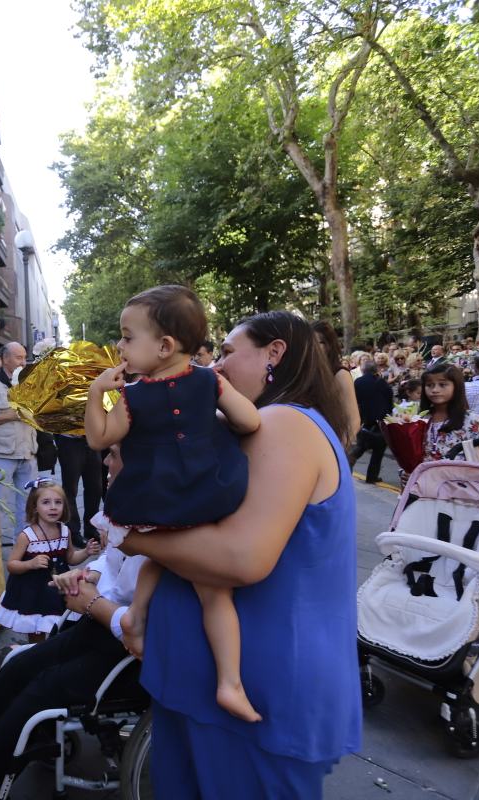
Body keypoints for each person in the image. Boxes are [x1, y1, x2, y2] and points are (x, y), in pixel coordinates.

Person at [116, 311, 359, 798]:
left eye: (227, 351)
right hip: (214, 681)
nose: (216, 364)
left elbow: (242, 559)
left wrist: (131, 537)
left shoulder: (283, 422)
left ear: (275, 353)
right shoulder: (268, 422)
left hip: (256, 686)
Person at [0, 448, 143, 800]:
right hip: (101, 625)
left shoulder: (165, 524)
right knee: (20, 667)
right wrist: (86, 574)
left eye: (114, 455)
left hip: (128, 652)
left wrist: (93, 603)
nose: (106, 463)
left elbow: (141, 623)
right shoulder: (137, 505)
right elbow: (115, 565)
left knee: (42, 688)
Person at [85, 284, 262, 721]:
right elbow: (251, 419)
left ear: (164, 346)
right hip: (204, 492)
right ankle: (230, 683)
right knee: (214, 592)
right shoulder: (209, 380)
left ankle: (136, 616)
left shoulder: (130, 396)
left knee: (160, 550)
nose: (119, 346)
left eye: (127, 337)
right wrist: (216, 420)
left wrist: (97, 394)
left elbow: (99, 438)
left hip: (154, 495)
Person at [0, 481, 100, 639]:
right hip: (33, 590)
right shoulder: (27, 536)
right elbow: (12, 565)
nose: (53, 507)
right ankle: (34, 650)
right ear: (34, 507)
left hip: (57, 587)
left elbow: (70, 558)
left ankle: (51, 651)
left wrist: (86, 552)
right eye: (46, 502)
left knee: (58, 624)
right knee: (35, 628)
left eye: (58, 502)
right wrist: (30, 564)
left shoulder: (65, 530)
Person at [0, 341, 38, 546]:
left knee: (29, 503)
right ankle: (1, 546)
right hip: (0, 454)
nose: (23, 361)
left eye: (24, 357)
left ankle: (24, 543)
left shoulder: (29, 381)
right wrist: (10, 415)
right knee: (0, 505)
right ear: (5, 359)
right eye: (19, 357)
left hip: (27, 451)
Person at [416, 363, 479, 472]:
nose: (435, 390)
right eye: (429, 385)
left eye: (442, 384)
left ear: (456, 386)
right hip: (421, 483)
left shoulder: (473, 421)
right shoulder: (420, 419)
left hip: (458, 485)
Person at [312, 320, 360, 442]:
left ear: (329, 345)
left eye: (320, 342)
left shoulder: (340, 374)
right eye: (310, 342)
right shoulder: (304, 374)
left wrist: (339, 450)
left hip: (330, 442)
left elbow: (353, 420)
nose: (314, 347)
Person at [348, 360, 394, 483]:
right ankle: (372, 476)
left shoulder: (359, 382)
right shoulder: (384, 383)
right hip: (382, 421)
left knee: (360, 447)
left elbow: (354, 402)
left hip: (366, 420)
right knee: (378, 452)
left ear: (363, 370)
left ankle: (345, 469)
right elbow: (390, 403)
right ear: (376, 370)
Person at [53, 432, 103, 545]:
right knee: (70, 489)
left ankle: (91, 528)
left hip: (92, 437)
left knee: (95, 488)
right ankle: (73, 532)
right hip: (70, 439)